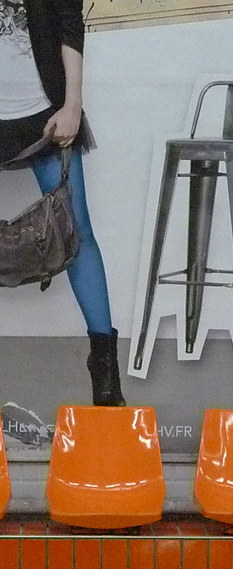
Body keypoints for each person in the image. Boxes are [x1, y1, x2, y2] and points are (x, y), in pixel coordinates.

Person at [0, 0, 125, 406]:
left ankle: (105, 368)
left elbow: (70, 27)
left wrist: (72, 105)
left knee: (77, 231)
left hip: (42, 110)